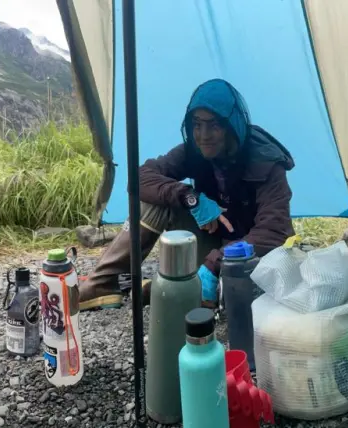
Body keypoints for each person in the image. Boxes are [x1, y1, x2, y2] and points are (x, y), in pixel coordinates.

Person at [79, 78, 295, 311]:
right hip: (212, 242)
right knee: (156, 201)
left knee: (231, 299)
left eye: (214, 125)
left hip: (250, 255)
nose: (203, 135)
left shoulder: (266, 161)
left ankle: (169, 289)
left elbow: (274, 231)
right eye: (197, 124)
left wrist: (216, 262)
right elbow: (139, 178)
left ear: (231, 126)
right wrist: (190, 197)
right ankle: (103, 284)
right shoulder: (194, 151)